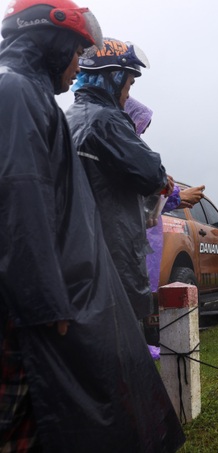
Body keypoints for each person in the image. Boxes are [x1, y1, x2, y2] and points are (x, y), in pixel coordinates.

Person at [0, 1, 184, 450]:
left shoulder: (39, 99)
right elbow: (19, 194)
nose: (78, 68)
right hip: (38, 305)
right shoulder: (17, 91)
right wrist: (46, 302)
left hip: (60, 289)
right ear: (55, 44)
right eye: (78, 53)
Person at [66, 37, 173, 322]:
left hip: (81, 252)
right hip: (113, 249)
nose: (128, 94)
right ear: (113, 78)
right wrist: (162, 176)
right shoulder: (106, 119)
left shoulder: (69, 118)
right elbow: (150, 173)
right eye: (128, 84)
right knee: (123, 341)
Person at [124, 97, 205, 347]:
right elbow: (138, 199)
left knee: (134, 300)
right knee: (127, 302)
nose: (143, 130)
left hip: (131, 240)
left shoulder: (128, 148)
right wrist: (176, 196)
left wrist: (173, 197)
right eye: (140, 124)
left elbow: (144, 204)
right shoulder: (122, 148)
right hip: (123, 241)